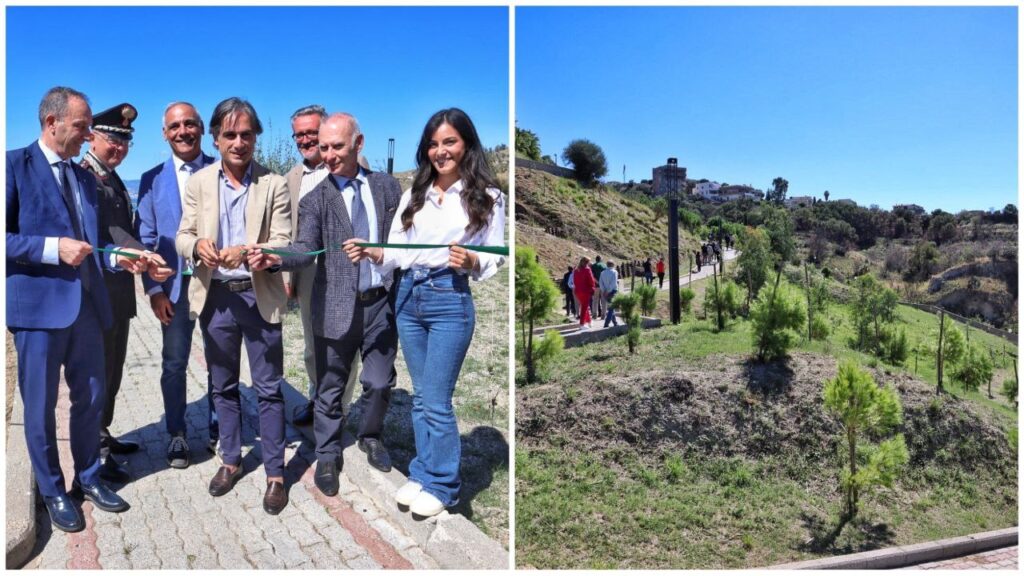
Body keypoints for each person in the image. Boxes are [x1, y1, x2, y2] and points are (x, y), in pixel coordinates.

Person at [339, 107, 505, 518]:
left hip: (449, 299)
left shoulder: (488, 195)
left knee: (436, 399)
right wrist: (372, 250)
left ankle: (444, 485)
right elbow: (396, 249)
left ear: (466, 144)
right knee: (417, 400)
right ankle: (422, 471)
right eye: (433, 143)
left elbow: (495, 256)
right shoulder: (416, 192)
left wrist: (472, 262)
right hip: (409, 296)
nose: (440, 151)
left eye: (449, 141)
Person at [7, 87, 154, 532]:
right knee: (40, 406)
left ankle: (87, 477)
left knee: (90, 398)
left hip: (89, 306)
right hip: (38, 310)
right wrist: (53, 248)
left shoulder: (84, 177)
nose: (88, 133)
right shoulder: (13, 166)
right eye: (81, 125)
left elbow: (92, 244)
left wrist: (117, 257)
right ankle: (52, 489)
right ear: (52, 123)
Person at [251, 112, 402, 499]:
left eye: (337, 146)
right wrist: (275, 257)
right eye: (324, 147)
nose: (330, 155)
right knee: (329, 388)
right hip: (333, 304)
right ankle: (328, 454)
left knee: (379, 382)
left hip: (379, 304)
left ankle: (370, 435)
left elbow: (402, 241)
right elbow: (304, 248)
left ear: (359, 143)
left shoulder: (388, 188)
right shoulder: (316, 198)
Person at [175, 97, 292, 515]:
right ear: (216, 138)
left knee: (268, 388)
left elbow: (282, 240)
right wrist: (198, 246)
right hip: (217, 299)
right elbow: (183, 235)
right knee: (222, 386)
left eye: (246, 134)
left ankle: (276, 472)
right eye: (230, 135)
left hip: (256, 294)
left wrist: (253, 252)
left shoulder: (273, 184)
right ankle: (230, 460)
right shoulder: (199, 183)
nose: (239, 142)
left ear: (256, 137)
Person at [81, 102, 173, 483]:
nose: (119, 149)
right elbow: (100, 235)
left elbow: (123, 226)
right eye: (112, 141)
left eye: (125, 143)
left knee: (113, 373)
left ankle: (103, 435)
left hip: (118, 295)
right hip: (96, 296)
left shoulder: (112, 177)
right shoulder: (85, 177)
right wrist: (140, 252)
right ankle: (94, 455)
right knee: (95, 378)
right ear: (93, 137)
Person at [136, 102, 220, 469]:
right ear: (165, 133)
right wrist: (153, 291)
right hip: (173, 289)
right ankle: (176, 434)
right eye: (175, 126)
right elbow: (145, 237)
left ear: (201, 129)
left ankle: (222, 429)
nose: (183, 131)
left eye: (189, 124)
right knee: (174, 364)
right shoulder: (151, 179)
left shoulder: (221, 170)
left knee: (221, 361)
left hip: (217, 283)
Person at [282, 105, 358, 427]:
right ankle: (317, 400)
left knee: (345, 345)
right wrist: (288, 275)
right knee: (313, 345)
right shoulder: (290, 179)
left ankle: (339, 407)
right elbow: (287, 230)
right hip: (309, 271)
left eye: (311, 132)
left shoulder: (355, 166)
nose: (305, 139)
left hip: (349, 270)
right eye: (299, 134)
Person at [573, 256, 596, 329]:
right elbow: (591, 281)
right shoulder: (587, 269)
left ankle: (589, 322)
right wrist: (592, 288)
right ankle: (582, 324)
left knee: (584, 306)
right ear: (587, 262)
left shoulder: (576, 270)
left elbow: (574, 281)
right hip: (585, 291)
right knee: (584, 307)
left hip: (578, 291)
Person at [599, 261, 619, 327]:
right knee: (611, 308)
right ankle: (606, 324)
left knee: (611, 307)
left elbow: (600, 283)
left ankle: (615, 323)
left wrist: (604, 290)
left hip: (605, 292)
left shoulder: (602, 272)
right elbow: (613, 283)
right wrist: (608, 291)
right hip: (613, 291)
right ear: (613, 265)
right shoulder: (614, 272)